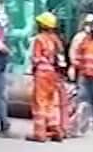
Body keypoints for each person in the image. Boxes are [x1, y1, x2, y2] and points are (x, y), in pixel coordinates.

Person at [28, 12, 68, 142]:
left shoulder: (39, 39)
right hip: (54, 74)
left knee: (40, 103)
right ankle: (55, 130)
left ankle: (39, 133)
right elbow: (61, 60)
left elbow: (36, 58)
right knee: (52, 102)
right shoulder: (57, 40)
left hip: (42, 74)